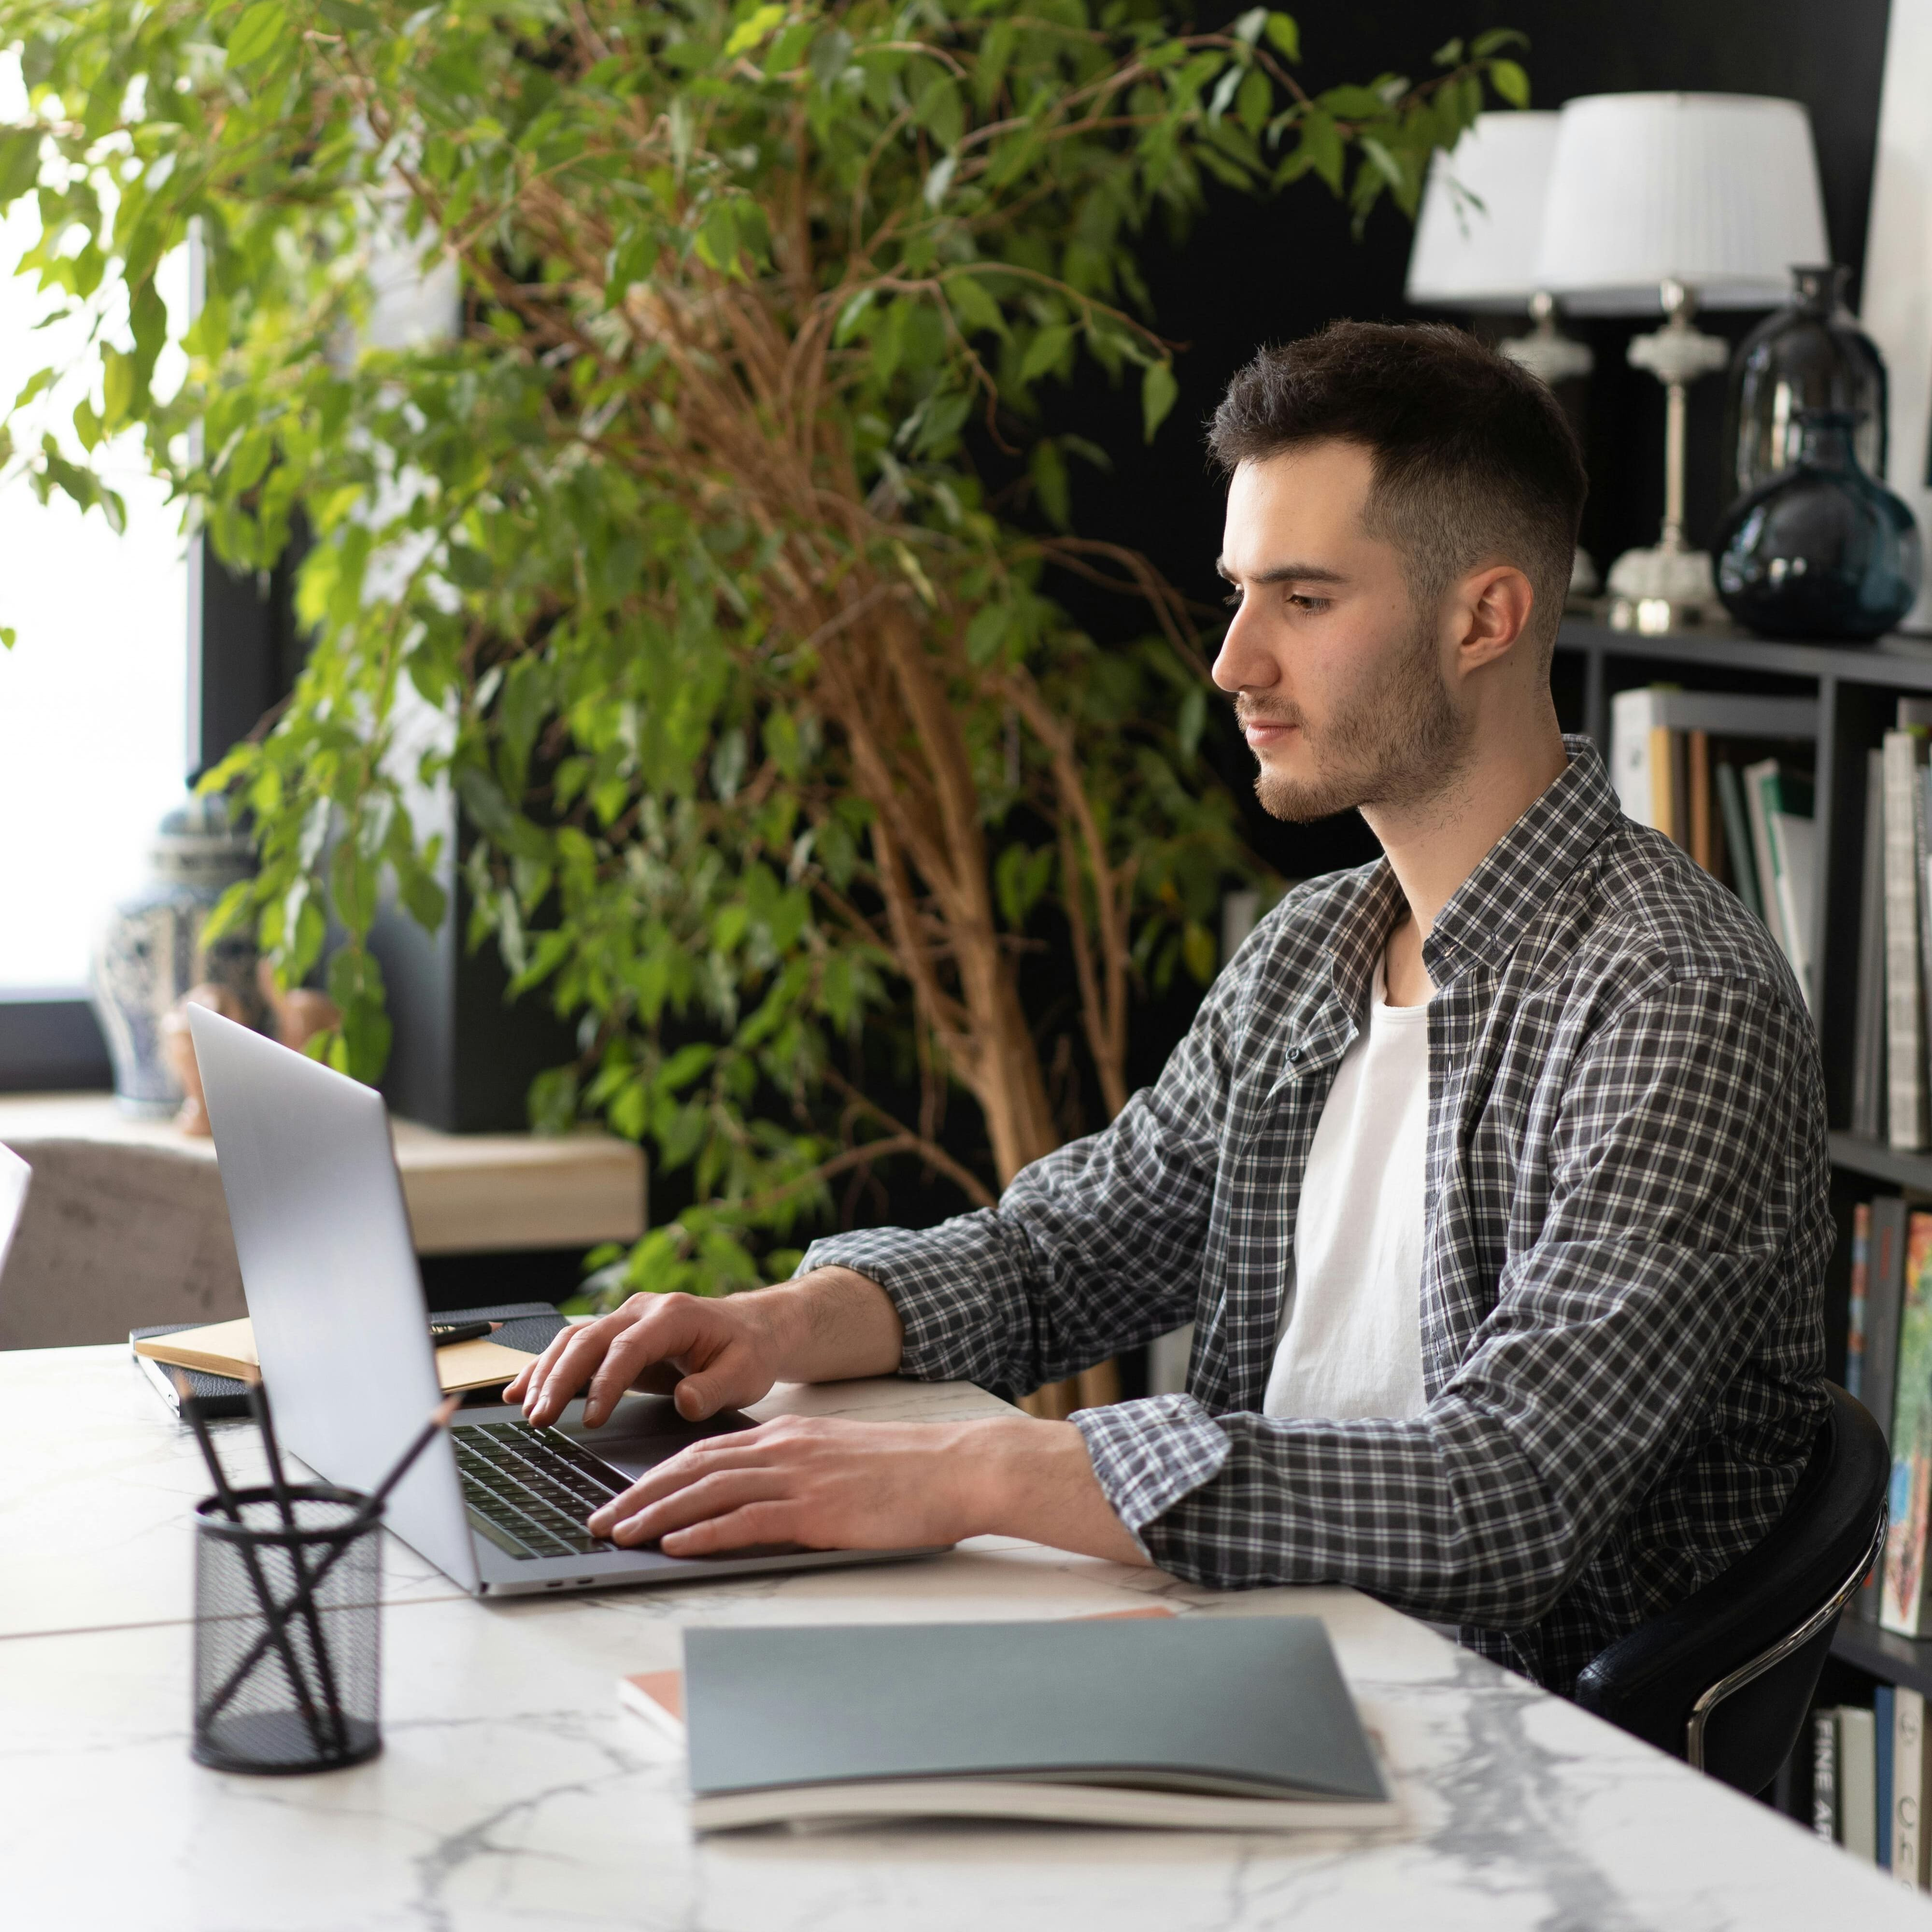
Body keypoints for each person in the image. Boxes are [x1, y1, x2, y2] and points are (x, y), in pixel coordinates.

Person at [505, 320, 1830, 1694]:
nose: (1234, 663)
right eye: (1239, 593)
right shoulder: (1313, 950)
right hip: (1248, 1666)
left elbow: (1506, 1489)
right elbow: (1061, 1253)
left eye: (1304, 601)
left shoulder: (1673, 1007)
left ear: (1483, 618)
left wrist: (980, 1469)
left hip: (1502, 1768)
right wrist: (782, 1323)